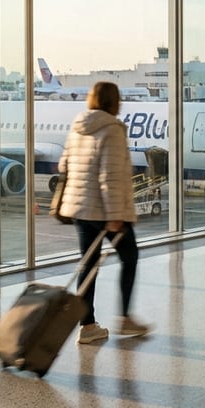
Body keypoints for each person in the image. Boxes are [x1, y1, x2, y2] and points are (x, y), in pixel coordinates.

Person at [58, 81, 151, 345]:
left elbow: (63, 164)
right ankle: (124, 317)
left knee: (88, 266)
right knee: (130, 256)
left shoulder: (78, 127)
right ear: (113, 102)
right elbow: (109, 176)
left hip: (80, 208)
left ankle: (87, 326)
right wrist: (114, 215)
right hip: (104, 210)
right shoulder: (112, 129)